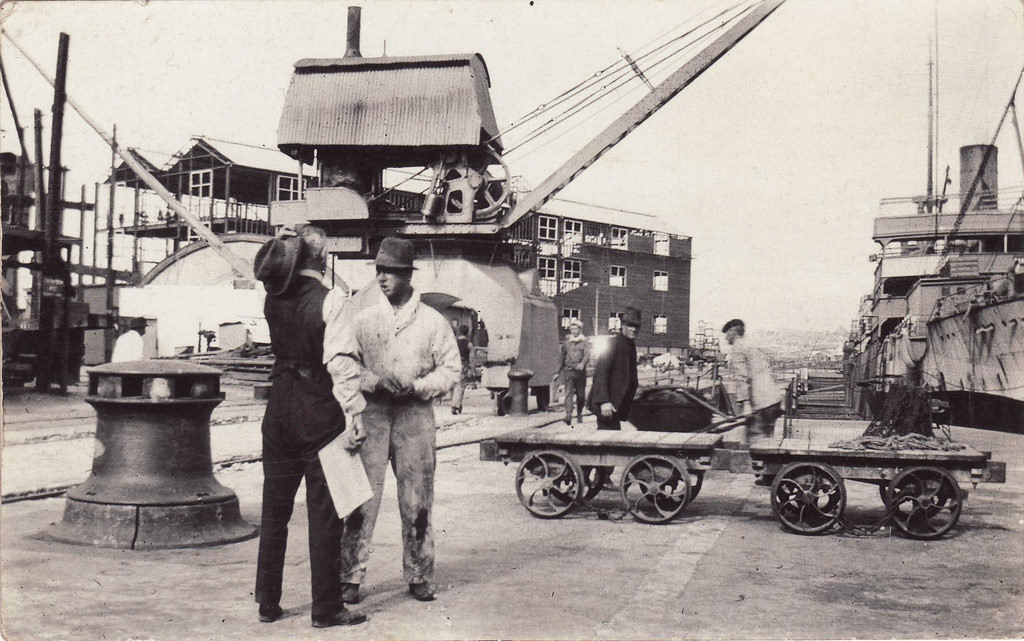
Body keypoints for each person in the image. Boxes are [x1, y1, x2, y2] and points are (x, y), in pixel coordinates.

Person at [325, 236, 461, 604]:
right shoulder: (365, 319)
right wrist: (372, 380)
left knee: (417, 500)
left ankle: (419, 574)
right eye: (379, 271)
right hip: (371, 413)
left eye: (391, 272)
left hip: (415, 417)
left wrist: (417, 386)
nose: (382, 278)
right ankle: (350, 576)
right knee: (360, 499)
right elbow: (343, 362)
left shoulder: (433, 322)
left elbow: (451, 370)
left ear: (407, 275)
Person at [252, 227, 367, 628]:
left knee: (275, 511)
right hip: (317, 409)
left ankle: (267, 602)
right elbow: (340, 362)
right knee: (324, 513)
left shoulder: (272, 298)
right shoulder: (331, 299)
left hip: (278, 407)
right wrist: (354, 414)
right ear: (320, 259)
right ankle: (326, 608)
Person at [722, 318, 782, 438]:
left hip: (759, 404)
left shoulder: (737, 349)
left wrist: (746, 404)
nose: (725, 338)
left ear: (733, 332)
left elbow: (743, 378)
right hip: (773, 400)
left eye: (726, 334)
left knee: (756, 441)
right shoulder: (752, 346)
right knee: (767, 442)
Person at [588, 307, 640, 430]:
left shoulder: (630, 345)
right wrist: (603, 401)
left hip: (617, 404)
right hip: (607, 405)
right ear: (622, 326)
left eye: (636, 327)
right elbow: (601, 373)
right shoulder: (613, 343)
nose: (633, 329)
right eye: (630, 326)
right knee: (606, 439)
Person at [554, 319, 590, 425]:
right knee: (568, 393)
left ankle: (579, 414)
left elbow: (587, 355)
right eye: (572, 329)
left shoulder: (585, 342)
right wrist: (557, 371)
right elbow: (561, 357)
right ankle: (568, 414)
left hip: (580, 373)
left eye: (575, 329)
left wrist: (582, 364)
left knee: (580, 395)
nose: (573, 331)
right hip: (568, 371)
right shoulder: (566, 343)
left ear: (580, 329)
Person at [451, 325, 473, 415]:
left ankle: (458, 405)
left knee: (455, 385)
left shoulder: (454, 343)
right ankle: (455, 406)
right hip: (463, 365)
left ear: (459, 332)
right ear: (467, 333)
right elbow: (472, 357)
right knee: (461, 386)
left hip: (453, 365)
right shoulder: (469, 344)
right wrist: (471, 368)